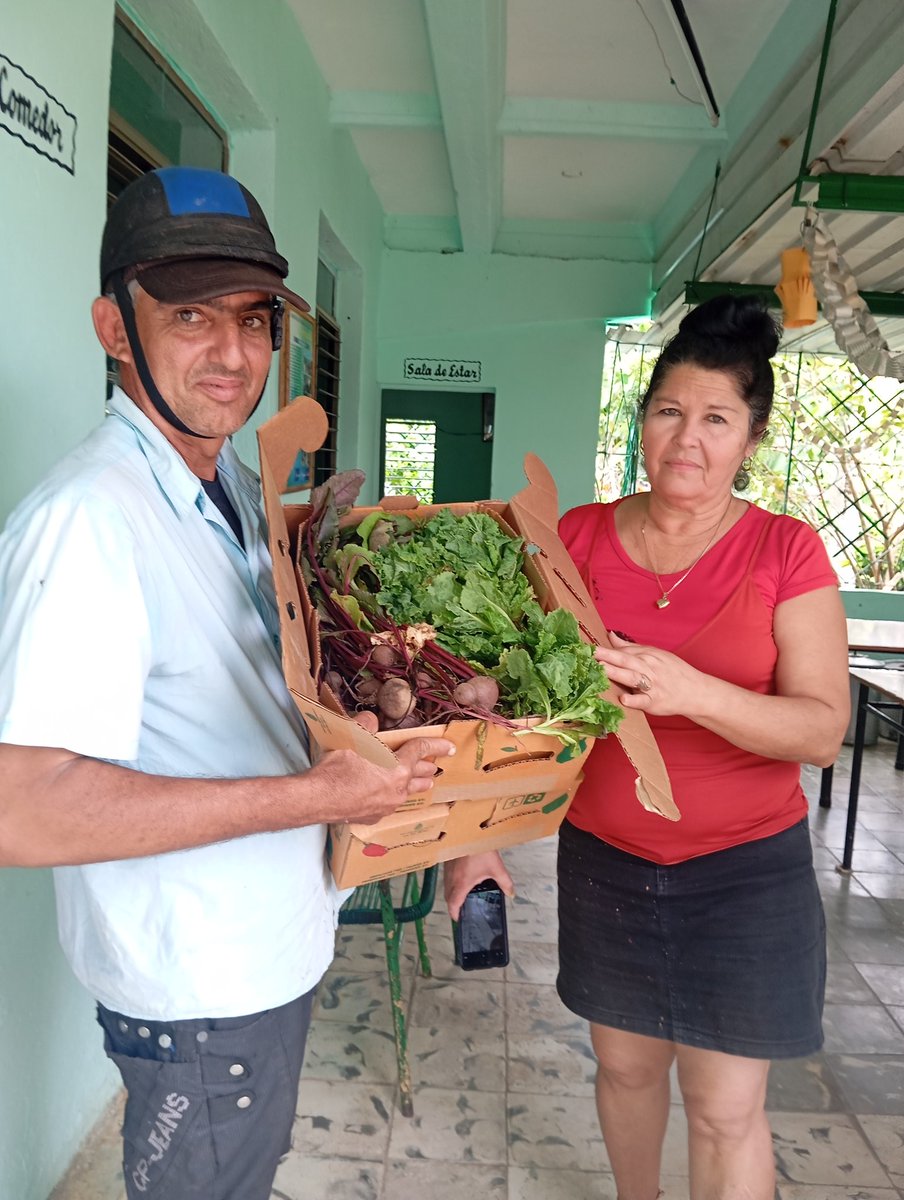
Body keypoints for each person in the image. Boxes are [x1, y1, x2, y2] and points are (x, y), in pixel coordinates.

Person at [0, 166, 454, 1200]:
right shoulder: (88, 522)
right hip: (196, 990)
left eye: (253, 320)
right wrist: (316, 798)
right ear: (115, 328)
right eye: (192, 315)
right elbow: (20, 811)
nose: (234, 355)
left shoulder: (234, 492)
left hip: (261, 955)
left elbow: (253, 688)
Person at [445, 295, 850, 1200]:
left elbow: (822, 727)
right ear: (643, 418)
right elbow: (500, 704)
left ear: (753, 438)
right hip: (609, 862)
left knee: (723, 1108)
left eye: (717, 419)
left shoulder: (785, 551)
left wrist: (687, 690)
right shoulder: (579, 538)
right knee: (625, 1071)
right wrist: (473, 837)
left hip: (747, 873)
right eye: (669, 411)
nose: (686, 440)